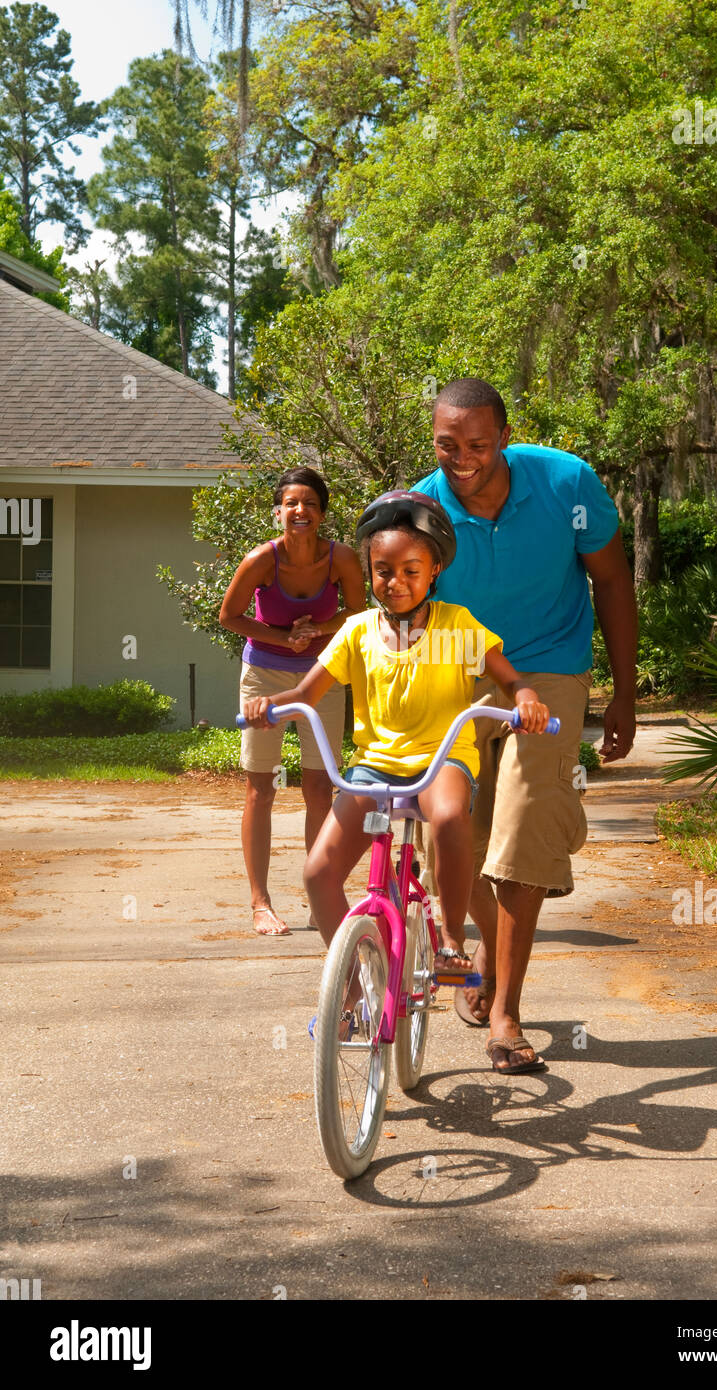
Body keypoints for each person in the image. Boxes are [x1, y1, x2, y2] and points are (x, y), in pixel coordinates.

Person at [243, 492, 556, 1066]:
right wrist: (273, 704)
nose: (396, 582)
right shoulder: (357, 631)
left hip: (443, 759)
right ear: (369, 571)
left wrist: (529, 698)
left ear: (434, 569)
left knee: (448, 816)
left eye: (411, 570)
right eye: (383, 571)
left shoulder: (459, 626)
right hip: (373, 766)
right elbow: (307, 692)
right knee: (318, 873)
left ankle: (453, 942)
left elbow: (511, 681)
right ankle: (358, 982)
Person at [414, 378, 637, 1073]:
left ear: (503, 437)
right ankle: (486, 943)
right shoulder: (423, 509)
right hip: (455, 667)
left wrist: (622, 692)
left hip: (549, 669)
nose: (463, 459)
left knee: (525, 818)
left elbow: (611, 580)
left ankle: (505, 1012)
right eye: (448, 445)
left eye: (478, 444)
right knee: (446, 831)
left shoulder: (566, 482)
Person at [220, 466, 365, 935]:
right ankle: (260, 903)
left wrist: (317, 631)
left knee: (320, 788)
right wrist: (285, 635)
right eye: (292, 503)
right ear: (279, 510)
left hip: (323, 674)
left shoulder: (341, 558)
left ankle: (318, 896)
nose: (300, 510)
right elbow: (230, 616)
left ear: (321, 513)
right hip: (263, 672)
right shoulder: (263, 559)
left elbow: (359, 611)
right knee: (261, 789)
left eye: (310, 503)